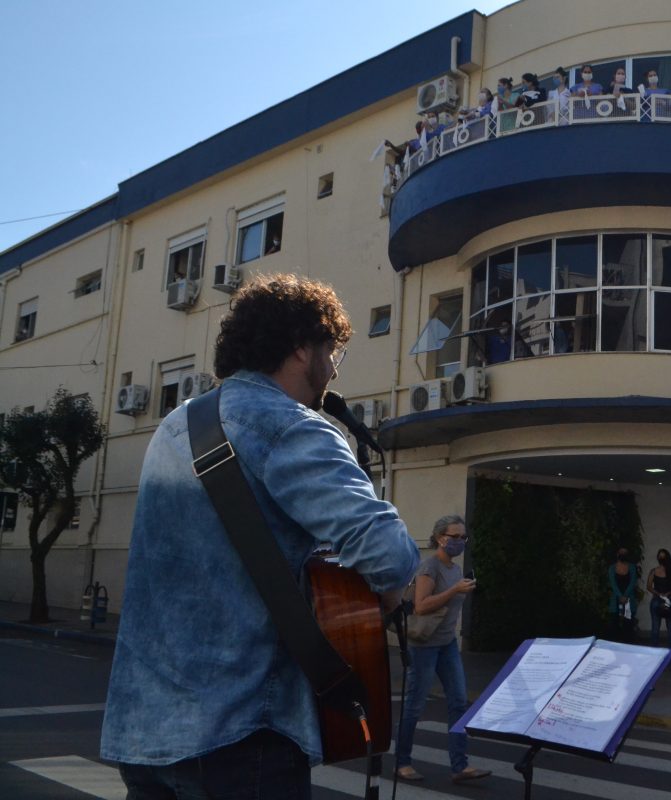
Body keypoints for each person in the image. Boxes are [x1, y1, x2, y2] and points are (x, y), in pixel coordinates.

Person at [101, 274, 422, 797]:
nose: (333, 368)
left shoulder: (173, 427)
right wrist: (383, 598)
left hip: (143, 732)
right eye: (331, 351)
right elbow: (388, 554)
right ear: (301, 347)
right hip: (240, 736)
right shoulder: (291, 425)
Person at [394, 516, 490, 784]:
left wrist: (461, 589)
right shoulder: (430, 567)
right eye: (454, 536)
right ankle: (402, 763)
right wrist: (454, 591)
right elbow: (421, 605)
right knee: (414, 706)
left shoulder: (456, 570)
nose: (459, 542)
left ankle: (460, 766)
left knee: (459, 701)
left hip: (447, 644)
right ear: (439, 538)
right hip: (424, 646)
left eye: (463, 537)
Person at [646, 548, 671, 649]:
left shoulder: (654, 571)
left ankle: (654, 654)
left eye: (662, 556)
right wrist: (666, 594)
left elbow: (649, 586)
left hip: (657, 600)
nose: (661, 558)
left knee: (655, 628)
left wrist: (658, 593)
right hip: (669, 599)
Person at [607, 547, 639, 642]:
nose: (623, 554)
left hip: (629, 600)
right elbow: (612, 583)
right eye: (621, 552)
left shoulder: (632, 567)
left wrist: (625, 595)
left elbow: (633, 582)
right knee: (614, 625)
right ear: (617, 554)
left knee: (628, 626)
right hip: (616, 601)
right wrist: (620, 596)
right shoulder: (612, 568)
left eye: (625, 552)